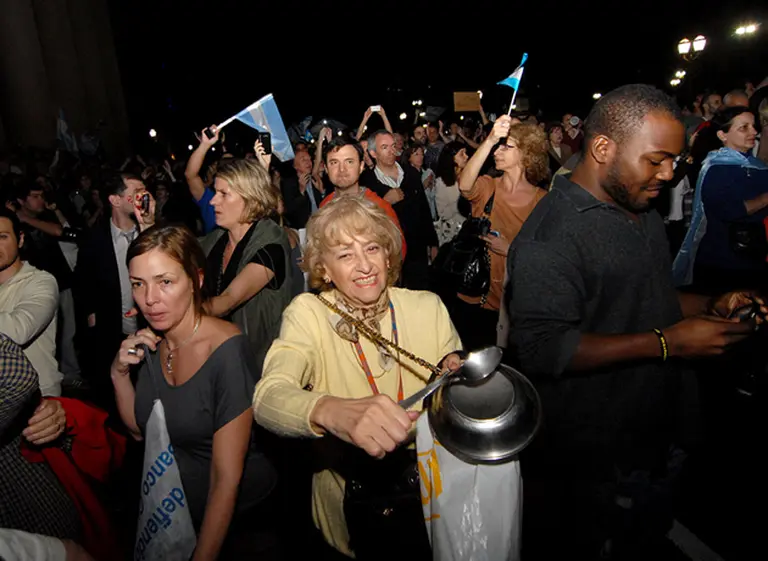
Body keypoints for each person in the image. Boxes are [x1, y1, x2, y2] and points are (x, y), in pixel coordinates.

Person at [507, 84, 761, 560]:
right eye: (656, 159)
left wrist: (712, 304)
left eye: (675, 160)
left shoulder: (638, 205)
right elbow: (546, 348)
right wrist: (669, 344)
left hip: (662, 430)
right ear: (603, 148)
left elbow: (652, 299)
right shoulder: (549, 238)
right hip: (602, 454)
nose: (668, 173)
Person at [253, 197, 462, 560]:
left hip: (432, 504)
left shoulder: (427, 307)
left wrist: (459, 385)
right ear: (325, 269)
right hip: (347, 514)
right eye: (345, 254)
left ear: (388, 256)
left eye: (371, 248)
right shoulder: (309, 314)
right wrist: (332, 412)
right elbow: (268, 398)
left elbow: (455, 406)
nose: (365, 265)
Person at [111, 225, 281, 560]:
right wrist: (118, 374)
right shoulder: (152, 344)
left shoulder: (227, 350)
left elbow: (225, 479)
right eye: (138, 284)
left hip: (241, 524)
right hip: (177, 513)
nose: (149, 299)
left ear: (196, 281)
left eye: (165, 282)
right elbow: (138, 431)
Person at [456, 118, 549, 350]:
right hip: (476, 294)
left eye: (507, 146)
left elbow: (548, 255)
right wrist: (490, 140)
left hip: (515, 300)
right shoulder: (489, 186)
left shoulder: (543, 200)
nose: (498, 151)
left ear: (527, 153)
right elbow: (465, 186)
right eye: (499, 146)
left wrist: (511, 250)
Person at [197, 158, 293, 374]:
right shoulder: (217, 239)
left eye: (224, 194)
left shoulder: (271, 243)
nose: (213, 202)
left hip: (258, 367)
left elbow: (227, 300)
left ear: (250, 198)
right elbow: (175, 253)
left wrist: (178, 312)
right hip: (221, 358)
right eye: (215, 192)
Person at [673, 106, 768, 293]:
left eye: (753, 126)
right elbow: (730, 210)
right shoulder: (716, 168)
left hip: (753, 255)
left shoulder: (756, 166)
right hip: (724, 260)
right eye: (744, 128)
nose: (754, 132)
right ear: (722, 135)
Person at [0, 208, 61, 396]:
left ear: (20, 239)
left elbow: (18, 331)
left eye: (2, 237)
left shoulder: (41, 281)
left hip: (38, 400)